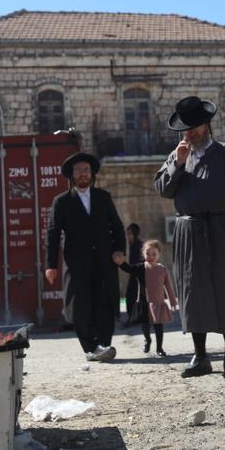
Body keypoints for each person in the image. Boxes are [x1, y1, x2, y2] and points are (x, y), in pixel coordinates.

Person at [154, 96, 225, 377]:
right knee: (193, 292)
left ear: (206, 125)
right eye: (185, 129)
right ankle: (200, 357)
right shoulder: (177, 156)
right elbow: (162, 189)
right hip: (189, 231)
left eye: (194, 127)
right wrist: (177, 163)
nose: (189, 133)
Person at [45, 152, 127, 363]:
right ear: (72, 175)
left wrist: (119, 250)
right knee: (81, 305)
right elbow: (53, 234)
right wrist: (50, 264)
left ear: (92, 174)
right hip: (76, 262)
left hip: (104, 260)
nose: (83, 174)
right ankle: (91, 348)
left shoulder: (103, 197)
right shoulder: (61, 202)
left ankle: (104, 344)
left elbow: (117, 228)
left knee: (105, 302)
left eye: (86, 170)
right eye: (79, 170)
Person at [115, 239, 178, 356]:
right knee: (144, 325)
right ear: (143, 254)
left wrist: (173, 301)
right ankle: (147, 340)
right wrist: (121, 263)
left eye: (154, 254)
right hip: (144, 302)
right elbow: (129, 269)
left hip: (158, 303)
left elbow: (169, 286)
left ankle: (159, 348)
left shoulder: (162, 270)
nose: (150, 256)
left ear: (159, 254)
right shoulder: (141, 268)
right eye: (147, 253)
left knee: (159, 327)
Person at [123, 223, 143, 326]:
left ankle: (134, 319)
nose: (128, 236)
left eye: (130, 234)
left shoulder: (139, 245)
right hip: (134, 274)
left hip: (138, 275)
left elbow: (140, 262)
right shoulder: (133, 244)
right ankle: (134, 318)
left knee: (132, 297)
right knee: (131, 297)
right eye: (128, 234)